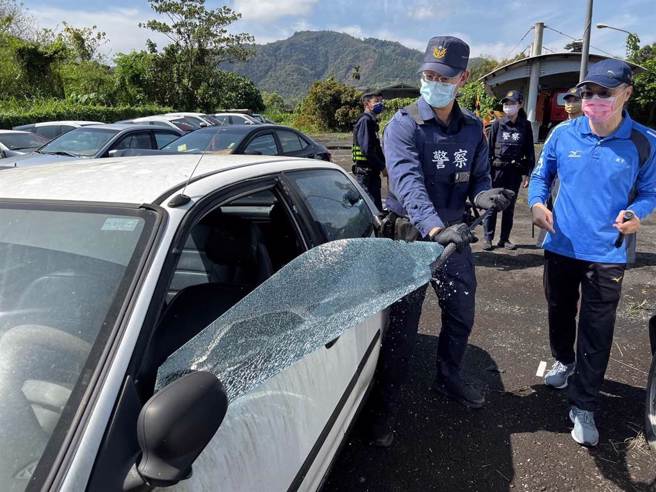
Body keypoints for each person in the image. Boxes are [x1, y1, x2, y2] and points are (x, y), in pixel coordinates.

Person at [368, 35, 514, 447]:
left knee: (460, 313)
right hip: (413, 234)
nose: (433, 82)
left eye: (443, 76)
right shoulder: (403, 125)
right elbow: (408, 183)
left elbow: (481, 176)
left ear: (462, 78)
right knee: (401, 328)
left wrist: (484, 194)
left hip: (456, 233)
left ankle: (448, 378)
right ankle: (384, 409)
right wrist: (434, 229)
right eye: (428, 75)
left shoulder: (472, 129)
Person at [529, 59, 656, 447]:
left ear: (626, 94)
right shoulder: (563, 134)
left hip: (608, 253)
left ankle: (583, 405)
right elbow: (540, 177)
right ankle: (564, 362)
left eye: (605, 92)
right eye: (589, 93)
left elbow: (650, 192)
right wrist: (536, 205)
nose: (595, 100)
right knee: (560, 311)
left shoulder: (645, 141)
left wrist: (637, 214)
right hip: (561, 244)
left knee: (597, 330)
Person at [482, 90, 535, 250]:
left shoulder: (525, 126)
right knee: (491, 204)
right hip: (497, 170)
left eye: (512, 103)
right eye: (506, 104)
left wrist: (527, 173)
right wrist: (485, 172)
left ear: (520, 104)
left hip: (515, 172)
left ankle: (504, 239)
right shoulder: (497, 124)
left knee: (509, 207)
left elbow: (529, 151)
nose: (508, 107)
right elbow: (489, 149)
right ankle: (488, 238)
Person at [352, 90, 385, 210]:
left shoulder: (371, 121)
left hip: (371, 171)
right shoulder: (365, 121)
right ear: (367, 104)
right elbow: (367, 150)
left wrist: (384, 164)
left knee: (376, 206)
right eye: (376, 101)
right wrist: (382, 166)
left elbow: (376, 147)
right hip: (365, 172)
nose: (380, 104)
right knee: (369, 207)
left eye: (381, 101)